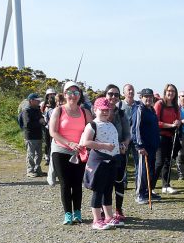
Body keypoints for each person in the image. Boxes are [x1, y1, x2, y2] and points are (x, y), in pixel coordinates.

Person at [49, 81, 93, 225]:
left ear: (80, 95)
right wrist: (69, 143)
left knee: (77, 183)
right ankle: (68, 213)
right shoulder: (59, 111)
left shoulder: (85, 112)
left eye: (76, 93)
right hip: (60, 150)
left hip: (79, 151)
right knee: (65, 183)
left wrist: (82, 144)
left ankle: (78, 212)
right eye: (69, 93)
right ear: (64, 94)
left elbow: (91, 130)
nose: (72, 96)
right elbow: (53, 132)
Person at [80, 97, 121, 230]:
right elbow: (85, 142)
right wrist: (103, 145)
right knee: (98, 190)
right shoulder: (92, 125)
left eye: (107, 110)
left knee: (108, 189)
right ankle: (97, 219)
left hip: (112, 160)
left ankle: (108, 216)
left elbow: (113, 141)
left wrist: (119, 148)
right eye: (102, 110)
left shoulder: (111, 124)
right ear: (95, 110)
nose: (105, 112)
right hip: (99, 160)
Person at [104, 84, 131, 220]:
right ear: (105, 95)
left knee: (119, 182)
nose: (113, 97)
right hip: (102, 154)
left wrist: (125, 144)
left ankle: (118, 209)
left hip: (119, 154)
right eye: (110, 94)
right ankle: (104, 211)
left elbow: (127, 134)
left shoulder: (121, 113)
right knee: (105, 183)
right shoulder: (98, 111)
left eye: (116, 94)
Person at [132, 88, 161, 205]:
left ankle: (148, 192)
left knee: (151, 170)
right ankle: (139, 194)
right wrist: (139, 146)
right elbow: (135, 129)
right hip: (143, 146)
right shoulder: (139, 110)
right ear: (141, 97)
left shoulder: (152, 110)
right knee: (142, 171)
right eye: (146, 97)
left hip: (153, 146)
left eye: (150, 97)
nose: (148, 99)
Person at [154, 84, 182, 195]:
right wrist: (170, 125)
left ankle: (166, 185)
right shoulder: (159, 104)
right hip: (160, 136)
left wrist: (177, 123)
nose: (171, 93)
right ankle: (150, 187)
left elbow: (178, 120)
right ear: (165, 92)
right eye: (169, 91)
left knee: (168, 162)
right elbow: (156, 122)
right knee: (159, 162)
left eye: (173, 91)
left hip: (171, 137)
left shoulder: (176, 106)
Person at [120, 83, 141, 181]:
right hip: (124, 138)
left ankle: (139, 182)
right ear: (123, 92)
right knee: (124, 161)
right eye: (128, 90)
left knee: (138, 162)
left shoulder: (139, 105)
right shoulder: (119, 105)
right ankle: (123, 182)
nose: (131, 91)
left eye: (132, 89)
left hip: (136, 138)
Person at [22, 93, 45, 177]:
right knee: (30, 154)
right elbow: (27, 124)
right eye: (37, 100)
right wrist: (39, 122)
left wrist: (43, 121)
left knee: (39, 154)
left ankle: (37, 170)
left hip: (38, 135)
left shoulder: (37, 109)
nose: (39, 101)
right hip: (30, 136)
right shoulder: (26, 110)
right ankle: (30, 170)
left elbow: (41, 120)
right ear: (31, 101)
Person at [41, 88, 57, 165]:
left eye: (53, 94)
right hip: (46, 126)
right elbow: (41, 114)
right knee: (47, 142)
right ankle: (47, 156)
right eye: (50, 94)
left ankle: (52, 157)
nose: (51, 96)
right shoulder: (43, 105)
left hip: (54, 126)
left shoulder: (57, 104)